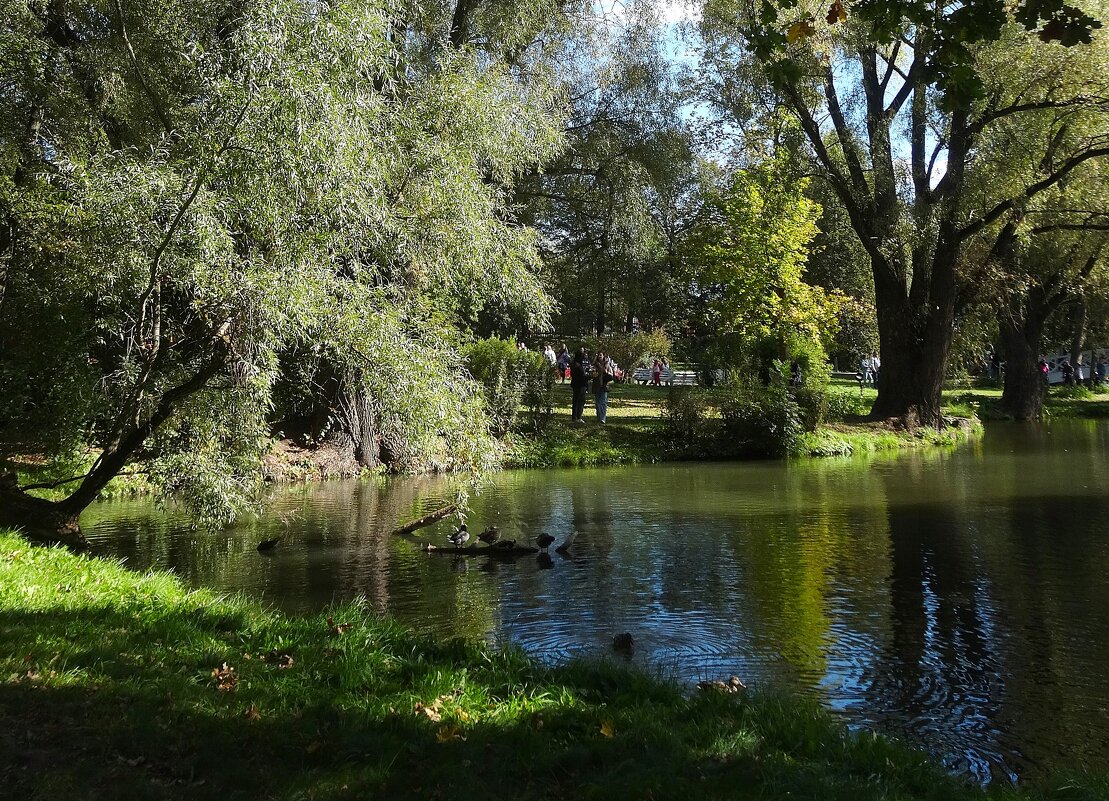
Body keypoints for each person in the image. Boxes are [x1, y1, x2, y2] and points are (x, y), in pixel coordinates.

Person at [591, 351, 615, 424]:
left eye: (601, 355)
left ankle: (603, 418)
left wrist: (606, 372)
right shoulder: (595, 365)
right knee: (598, 403)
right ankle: (599, 417)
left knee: (603, 402)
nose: (599, 356)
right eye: (598, 355)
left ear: (603, 356)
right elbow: (592, 373)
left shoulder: (607, 364)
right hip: (597, 385)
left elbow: (611, 375)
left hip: (605, 385)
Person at [569, 348, 591, 423]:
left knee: (575, 401)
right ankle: (578, 417)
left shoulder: (574, 364)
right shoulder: (579, 366)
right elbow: (583, 376)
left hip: (575, 384)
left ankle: (574, 417)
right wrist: (591, 376)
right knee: (580, 401)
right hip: (581, 385)